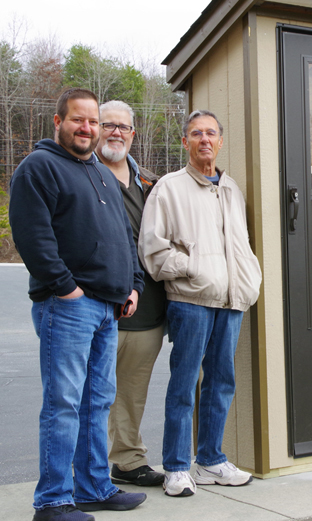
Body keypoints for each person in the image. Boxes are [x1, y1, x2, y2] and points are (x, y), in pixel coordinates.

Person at [9, 88, 147, 521]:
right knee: (64, 404)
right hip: (66, 307)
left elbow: (126, 239)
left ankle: (93, 488)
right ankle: (52, 501)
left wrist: (133, 285)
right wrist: (66, 288)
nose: (87, 129)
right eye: (79, 120)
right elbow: (33, 236)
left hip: (109, 308)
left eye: (93, 122)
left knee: (97, 401)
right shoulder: (40, 167)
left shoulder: (102, 173)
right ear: (58, 121)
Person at [140, 109, 262, 496]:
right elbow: (153, 249)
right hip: (191, 300)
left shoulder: (231, 188)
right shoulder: (169, 188)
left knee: (221, 382)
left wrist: (250, 279)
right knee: (183, 383)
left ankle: (210, 459)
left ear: (220, 141)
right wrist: (193, 269)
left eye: (211, 133)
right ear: (185, 142)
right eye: (196, 134)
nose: (205, 139)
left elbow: (239, 245)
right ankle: (176, 466)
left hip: (231, 301)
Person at [95, 100, 167, 487]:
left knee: (130, 393)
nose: (116, 132)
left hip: (147, 313)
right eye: (108, 125)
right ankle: (85, 470)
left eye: (123, 127)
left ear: (133, 134)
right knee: (90, 395)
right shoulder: (80, 174)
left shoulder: (152, 184)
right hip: (96, 309)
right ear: (96, 128)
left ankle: (127, 460)